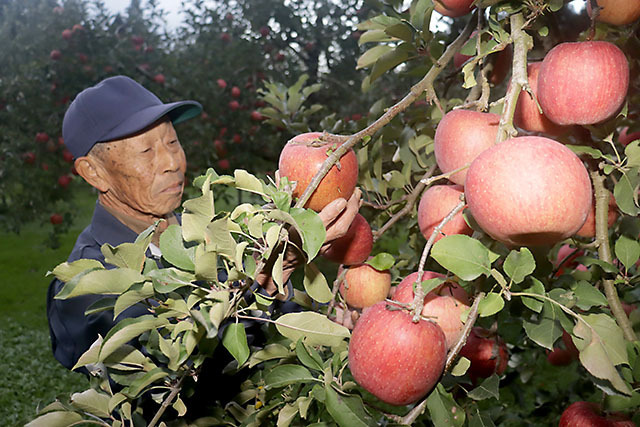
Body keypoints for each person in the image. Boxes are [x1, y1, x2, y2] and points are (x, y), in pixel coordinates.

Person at [46, 75, 360, 408]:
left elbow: (269, 324)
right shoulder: (87, 285)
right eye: (146, 150)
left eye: (171, 142)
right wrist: (261, 285)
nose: (172, 163)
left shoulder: (203, 238)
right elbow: (167, 393)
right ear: (94, 172)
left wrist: (321, 315)